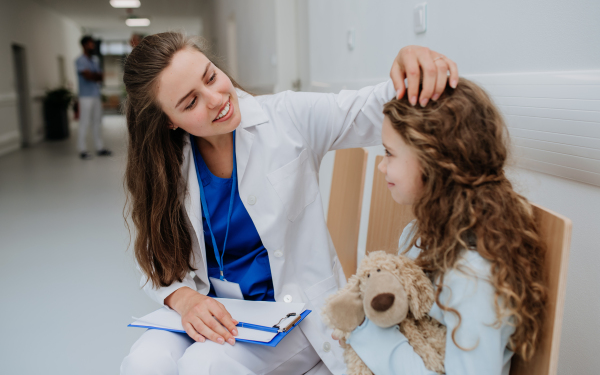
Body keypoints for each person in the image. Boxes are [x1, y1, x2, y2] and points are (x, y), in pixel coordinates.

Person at [119, 31, 458, 375]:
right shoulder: (166, 166)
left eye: (211, 77)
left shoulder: (285, 118)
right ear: (168, 121)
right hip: (212, 308)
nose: (216, 98)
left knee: (204, 366)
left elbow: (372, 109)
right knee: (144, 363)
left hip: (293, 315)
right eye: (190, 102)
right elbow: (152, 253)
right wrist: (185, 299)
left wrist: (409, 63)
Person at [343, 79, 548, 375]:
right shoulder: (420, 234)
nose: (381, 165)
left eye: (389, 153)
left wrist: (362, 329)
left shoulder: (473, 276)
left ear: (432, 162)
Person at [75, 35, 112, 160]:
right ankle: (82, 149)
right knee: (84, 122)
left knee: (97, 122)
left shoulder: (95, 60)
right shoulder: (80, 60)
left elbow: (100, 77)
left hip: (95, 95)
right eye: (90, 44)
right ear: (84, 45)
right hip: (85, 96)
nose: (93, 46)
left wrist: (93, 75)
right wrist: (94, 75)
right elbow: (88, 76)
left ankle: (99, 147)